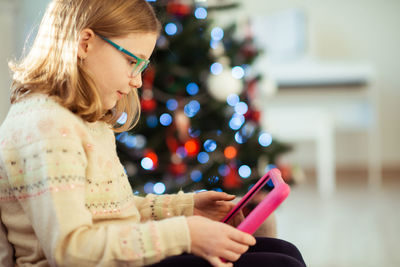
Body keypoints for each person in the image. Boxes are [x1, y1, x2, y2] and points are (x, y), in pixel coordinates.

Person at [0, 0, 306, 266]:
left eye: (142, 65)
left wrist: (187, 208)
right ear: (85, 44)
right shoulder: (47, 128)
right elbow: (70, 250)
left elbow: (111, 213)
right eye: (131, 61)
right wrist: (185, 234)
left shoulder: (82, 118)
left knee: (282, 252)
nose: (137, 81)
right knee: (279, 262)